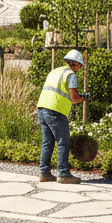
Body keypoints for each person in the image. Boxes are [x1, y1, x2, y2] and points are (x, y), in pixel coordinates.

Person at [37, 49, 88, 185]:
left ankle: (45, 173)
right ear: (76, 64)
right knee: (63, 142)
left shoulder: (55, 71)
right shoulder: (70, 75)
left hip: (42, 108)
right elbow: (74, 98)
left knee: (47, 142)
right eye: (80, 66)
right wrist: (83, 97)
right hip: (56, 110)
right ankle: (64, 174)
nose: (79, 69)